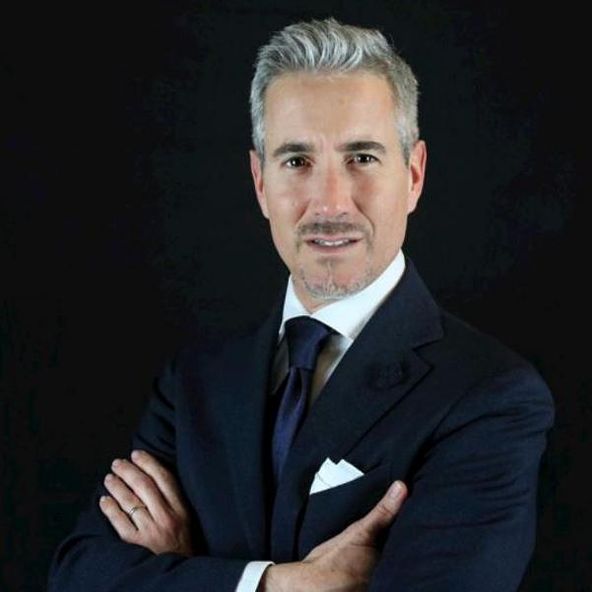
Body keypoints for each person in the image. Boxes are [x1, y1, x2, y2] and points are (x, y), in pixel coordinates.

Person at [47, 17, 555, 592]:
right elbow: (79, 577)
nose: (330, 203)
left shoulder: (489, 398)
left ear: (413, 175)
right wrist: (279, 584)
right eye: (296, 161)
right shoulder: (194, 386)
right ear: (260, 182)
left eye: (361, 158)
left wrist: (189, 573)